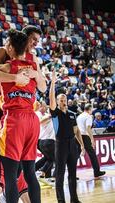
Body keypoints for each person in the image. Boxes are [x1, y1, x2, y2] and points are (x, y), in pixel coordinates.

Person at [0, 25, 46, 203]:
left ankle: (2, 198)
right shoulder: (4, 53)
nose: (34, 44)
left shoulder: (14, 65)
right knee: (21, 169)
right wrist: (25, 77)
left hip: (13, 117)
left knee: (11, 173)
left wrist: (18, 76)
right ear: (24, 39)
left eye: (36, 41)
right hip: (24, 117)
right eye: (33, 39)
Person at [49, 70, 85, 203]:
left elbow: (76, 131)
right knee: (60, 174)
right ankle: (61, 201)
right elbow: (51, 99)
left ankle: (74, 199)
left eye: (65, 99)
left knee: (73, 174)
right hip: (61, 144)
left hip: (72, 145)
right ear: (57, 102)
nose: (63, 101)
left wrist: (81, 144)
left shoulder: (72, 114)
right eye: (61, 99)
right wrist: (53, 83)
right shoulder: (55, 113)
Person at [76, 104, 106, 178]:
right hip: (84, 136)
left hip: (77, 136)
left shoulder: (79, 116)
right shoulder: (88, 116)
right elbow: (88, 128)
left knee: (75, 156)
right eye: (92, 109)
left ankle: (72, 174)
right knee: (92, 154)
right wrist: (92, 139)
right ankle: (97, 171)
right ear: (89, 109)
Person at [35, 101, 56, 179]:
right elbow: (40, 122)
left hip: (44, 140)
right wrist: (50, 116)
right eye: (44, 106)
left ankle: (45, 174)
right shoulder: (38, 114)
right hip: (43, 140)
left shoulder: (46, 115)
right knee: (53, 158)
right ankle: (45, 173)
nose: (46, 107)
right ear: (40, 106)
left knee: (48, 157)